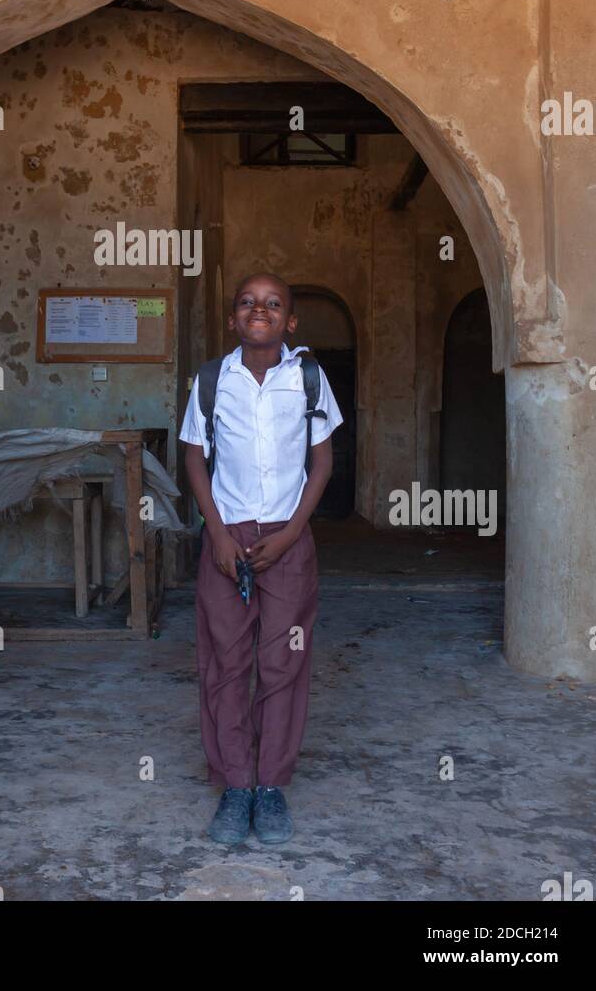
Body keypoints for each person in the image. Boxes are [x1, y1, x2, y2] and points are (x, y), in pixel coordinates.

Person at [179, 272, 343, 845]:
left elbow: (321, 464)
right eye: (248, 302)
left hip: (287, 538)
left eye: (274, 304)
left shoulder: (309, 380)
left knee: (283, 663)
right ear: (233, 318)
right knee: (224, 662)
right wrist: (216, 532)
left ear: (290, 321)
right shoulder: (210, 380)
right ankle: (235, 786)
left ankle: (270, 787)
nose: (260, 310)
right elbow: (195, 457)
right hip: (227, 538)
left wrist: (293, 533)